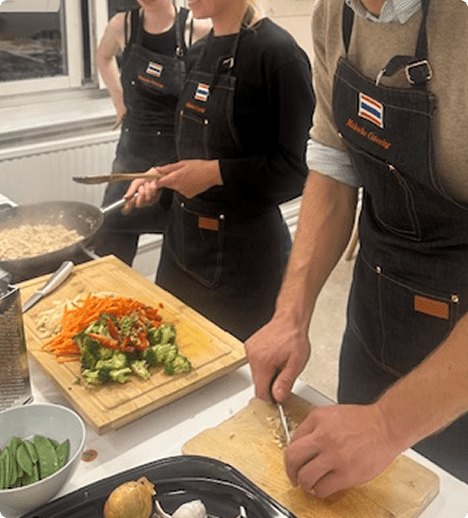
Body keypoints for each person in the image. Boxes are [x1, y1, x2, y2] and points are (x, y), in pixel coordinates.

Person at [245, 0, 468, 499]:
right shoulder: (334, 14)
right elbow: (333, 164)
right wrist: (291, 315)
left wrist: (388, 424)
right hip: (376, 320)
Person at [123, 0, 315, 341]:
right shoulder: (198, 53)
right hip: (181, 247)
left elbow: (298, 171)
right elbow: (191, 142)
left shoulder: (278, 54)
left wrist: (216, 174)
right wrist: (159, 174)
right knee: (171, 349)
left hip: (243, 262)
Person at [92, 0, 210, 266]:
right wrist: (119, 102)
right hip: (132, 154)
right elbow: (103, 57)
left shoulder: (196, 29)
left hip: (177, 156)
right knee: (108, 247)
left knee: (183, 251)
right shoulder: (122, 25)